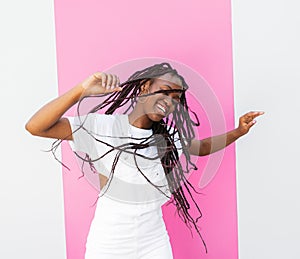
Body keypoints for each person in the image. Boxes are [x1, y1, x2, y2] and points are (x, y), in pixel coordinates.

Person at [26, 63, 264, 259]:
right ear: (145, 86)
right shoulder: (101, 126)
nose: (169, 101)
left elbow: (200, 147)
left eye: (175, 98)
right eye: (164, 91)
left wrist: (238, 131)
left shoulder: (167, 137)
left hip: (154, 241)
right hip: (109, 243)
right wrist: (81, 90)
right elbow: (36, 127)